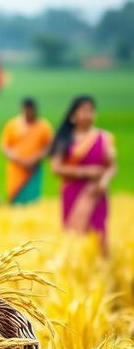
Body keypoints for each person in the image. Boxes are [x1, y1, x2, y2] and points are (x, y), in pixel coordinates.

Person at [50, 95, 116, 252]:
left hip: (96, 192)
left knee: (98, 234)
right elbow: (56, 168)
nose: (88, 115)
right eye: (84, 111)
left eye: (91, 111)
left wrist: (104, 181)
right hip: (72, 192)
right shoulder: (64, 139)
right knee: (75, 237)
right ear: (73, 116)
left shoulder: (104, 138)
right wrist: (85, 172)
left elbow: (112, 166)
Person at [0, 98, 53, 204]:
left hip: (33, 168)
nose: (29, 113)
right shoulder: (13, 124)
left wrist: (35, 159)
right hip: (16, 167)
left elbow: (50, 146)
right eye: (26, 110)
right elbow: (5, 146)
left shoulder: (43, 126)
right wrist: (18, 159)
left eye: (31, 110)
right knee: (16, 196)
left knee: (32, 199)